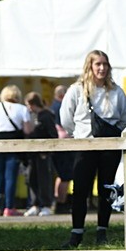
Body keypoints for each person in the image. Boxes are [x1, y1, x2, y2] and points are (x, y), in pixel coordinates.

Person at [60, 50, 126, 247]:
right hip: (85, 145)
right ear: (89, 66)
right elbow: (66, 118)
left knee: (106, 189)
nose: (101, 68)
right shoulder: (77, 89)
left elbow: (124, 117)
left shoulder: (116, 91)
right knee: (81, 189)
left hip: (110, 146)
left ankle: (102, 230)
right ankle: (77, 232)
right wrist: (79, 134)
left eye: (105, 64)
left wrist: (111, 132)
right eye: (98, 64)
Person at [0, 84, 33, 217]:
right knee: (10, 177)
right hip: (14, 143)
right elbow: (27, 130)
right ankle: (9, 207)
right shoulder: (22, 109)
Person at [23, 92, 57, 216]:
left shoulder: (46, 115)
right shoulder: (33, 115)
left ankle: (46, 204)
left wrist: (47, 150)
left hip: (43, 153)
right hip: (32, 153)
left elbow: (53, 134)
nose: (27, 108)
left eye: (28, 105)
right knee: (31, 178)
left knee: (44, 179)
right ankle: (35, 204)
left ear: (32, 104)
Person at [50, 84, 74, 214]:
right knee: (66, 175)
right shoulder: (61, 107)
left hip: (56, 144)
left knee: (60, 175)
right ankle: (62, 202)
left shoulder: (52, 106)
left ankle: (58, 200)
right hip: (64, 143)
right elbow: (65, 124)